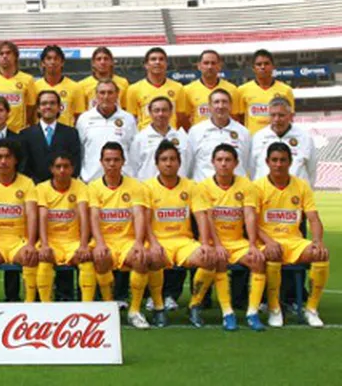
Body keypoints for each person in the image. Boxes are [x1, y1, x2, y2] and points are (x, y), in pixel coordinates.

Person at [141, 141, 217, 328]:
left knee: (209, 258)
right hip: (159, 242)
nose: (169, 163)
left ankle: (195, 305)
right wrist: (153, 243)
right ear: (157, 163)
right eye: (164, 159)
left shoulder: (191, 186)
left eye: (172, 159)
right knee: (152, 258)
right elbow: (144, 221)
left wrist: (205, 243)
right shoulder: (147, 187)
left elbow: (201, 216)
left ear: (179, 162)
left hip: (184, 242)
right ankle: (158, 307)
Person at [255, 143, 330, 328]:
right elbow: (251, 223)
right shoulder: (257, 187)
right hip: (266, 242)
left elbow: (313, 218)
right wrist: (269, 242)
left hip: (294, 241)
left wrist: (317, 241)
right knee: (273, 254)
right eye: (274, 160)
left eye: (283, 160)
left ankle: (311, 309)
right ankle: (274, 308)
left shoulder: (301, 185)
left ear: (290, 162)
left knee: (321, 254)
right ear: (267, 162)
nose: (278, 164)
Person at [193, 144, 266, 331]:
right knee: (219, 260)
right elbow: (207, 219)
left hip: (237, 242)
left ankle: (252, 313)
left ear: (236, 163)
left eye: (228, 160)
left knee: (258, 260)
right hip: (213, 242)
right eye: (219, 160)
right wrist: (217, 245)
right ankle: (228, 313)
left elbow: (249, 215)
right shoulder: (203, 187)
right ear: (213, 162)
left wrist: (252, 245)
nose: (223, 164)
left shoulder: (247, 186)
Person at [87, 143, 150, 328]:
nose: (112, 164)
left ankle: (134, 311)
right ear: (101, 162)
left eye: (116, 160)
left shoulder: (135, 186)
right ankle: (109, 309)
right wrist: (99, 243)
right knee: (101, 257)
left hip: (127, 241)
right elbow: (94, 216)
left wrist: (138, 242)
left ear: (123, 162)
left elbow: (139, 214)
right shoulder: (93, 187)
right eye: (108, 160)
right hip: (105, 240)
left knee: (140, 258)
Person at [0, 139, 38, 303]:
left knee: (30, 256)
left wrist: (30, 243)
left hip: (18, 241)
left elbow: (32, 214)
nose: (3, 161)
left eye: (8, 157)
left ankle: (30, 304)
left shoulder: (27, 183)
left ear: (16, 159)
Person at [35, 152, 95, 302]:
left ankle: (87, 307)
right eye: (58, 166)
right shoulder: (41, 188)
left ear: (72, 169)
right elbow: (42, 217)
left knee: (86, 262)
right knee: (44, 262)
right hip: (52, 242)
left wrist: (83, 245)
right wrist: (44, 245)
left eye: (66, 166)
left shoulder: (80, 186)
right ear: (51, 169)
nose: (62, 170)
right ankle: (45, 307)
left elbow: (83, 215)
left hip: (73, 242)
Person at [76, 80, 137, 182]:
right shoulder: (84, 119)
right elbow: (80, 150)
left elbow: (134, 151)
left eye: (110, 92)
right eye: (102, 92)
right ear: (96, 95)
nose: (106, 97)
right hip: (91, 180)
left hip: (122, 181)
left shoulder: (128, 119)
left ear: (117, 95)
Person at [249, 97, 317, 184]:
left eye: (281, 115)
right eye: (273, 115)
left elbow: (311, 170)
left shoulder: (304, 137)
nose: (276, 119)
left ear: (291, 116)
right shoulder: (258, 137)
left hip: (295, 191)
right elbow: (252, 168)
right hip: (265, 191)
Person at [19, 91, 82, 183]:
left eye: (52, 103)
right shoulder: (25, 135)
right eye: (44, 103)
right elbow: (23, 166)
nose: (48, 107)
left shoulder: (71, 133)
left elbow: (75, 163)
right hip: (34, 187)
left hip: (63, 186)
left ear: (59, 107)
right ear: (38, 108)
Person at [187, 89, 251, 181]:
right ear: (209, 106)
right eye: (216, 102)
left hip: (235, 187)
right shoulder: (196, 131)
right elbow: (189, 164)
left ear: (230, 106)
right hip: (203, 187)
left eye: (224, 102)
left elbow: (246, 163)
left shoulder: (243, 132)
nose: (220, 106)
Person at [126, 47, 190, 130]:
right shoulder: (133, 89)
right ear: (146, 65)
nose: (157, 62)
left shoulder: (178, 88)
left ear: (166, 64)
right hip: (146, 135)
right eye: (153, 59)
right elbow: (131, 119)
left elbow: (181, 118)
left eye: (161, 59)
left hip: (170, 135)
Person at [129, 97, 191, 181]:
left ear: (171, 112)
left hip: (178, 187)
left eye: (164, 110)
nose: (160, 114)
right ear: (150, 113)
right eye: (156, 110)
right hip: (148, 187)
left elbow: (189, 166)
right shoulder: (140, 139)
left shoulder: (182, 138)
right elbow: (133, 168)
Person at [237, 49, 295, 135]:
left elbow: (289, 117)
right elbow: (240, 119)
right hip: (253, 138)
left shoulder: (286, 90)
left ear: (273, 66)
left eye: (266, 63)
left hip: (276, 137)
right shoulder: (242, 90)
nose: (263, 67)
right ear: (253, 68)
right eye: (259, 64)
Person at [0, 41, 34, 133]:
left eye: (8, 53)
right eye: (1, 54)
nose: (5, 56)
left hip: (18, 133)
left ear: (15, 56)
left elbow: (30, 108)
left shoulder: (28, 79)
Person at [183, 50, 242, 126]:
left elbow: (235, 117)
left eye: (213, 63)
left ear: (219, 66)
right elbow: (184, 119)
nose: (210, 67)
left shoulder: (232, 89)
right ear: (199, 66)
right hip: (200, 133)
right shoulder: (187, 90)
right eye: (206, 63)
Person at [31, 45, 86, 127]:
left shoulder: (75, 87)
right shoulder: (34, 87)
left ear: (62, 62)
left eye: (56, 58)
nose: (52, 62)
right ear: (43, 63)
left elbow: (79, 116)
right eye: (49, 58)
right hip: (40, 133)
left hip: (65, 133)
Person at [78, 47, 129, 111]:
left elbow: (125, 108)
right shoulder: (82, 85)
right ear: (93, 63)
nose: (102, 62)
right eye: (98, 59)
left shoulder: (123, 83)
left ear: (112, 62)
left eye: (106, 59)